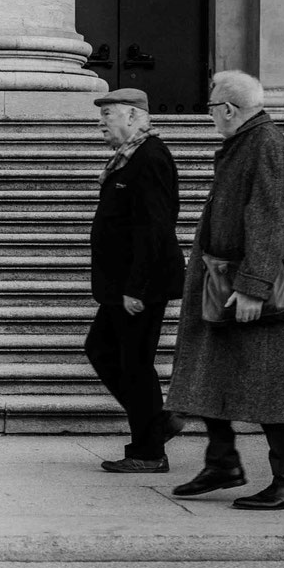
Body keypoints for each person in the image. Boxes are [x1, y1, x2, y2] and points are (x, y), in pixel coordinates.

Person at [166, 70, 284, 510]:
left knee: (271, 385)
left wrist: (253, 288)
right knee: (210, 369)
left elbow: (272, 218)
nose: (210, 115)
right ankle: (222, 461)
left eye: (211, 107)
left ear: (228, 109)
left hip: (250, 287)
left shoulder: (265, 142)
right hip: (222, 282)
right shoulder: (245, 142)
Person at [84, 87, 185, 473]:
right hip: (121, 287)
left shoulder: (150, 158)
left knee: (134, 363)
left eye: (107, 115)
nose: (101, 124)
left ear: (131, 116)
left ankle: (149, 450)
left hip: (138, 287)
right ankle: (155, 426)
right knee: (103, 350)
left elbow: (155, 228)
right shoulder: (129, 159)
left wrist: (136, 288)